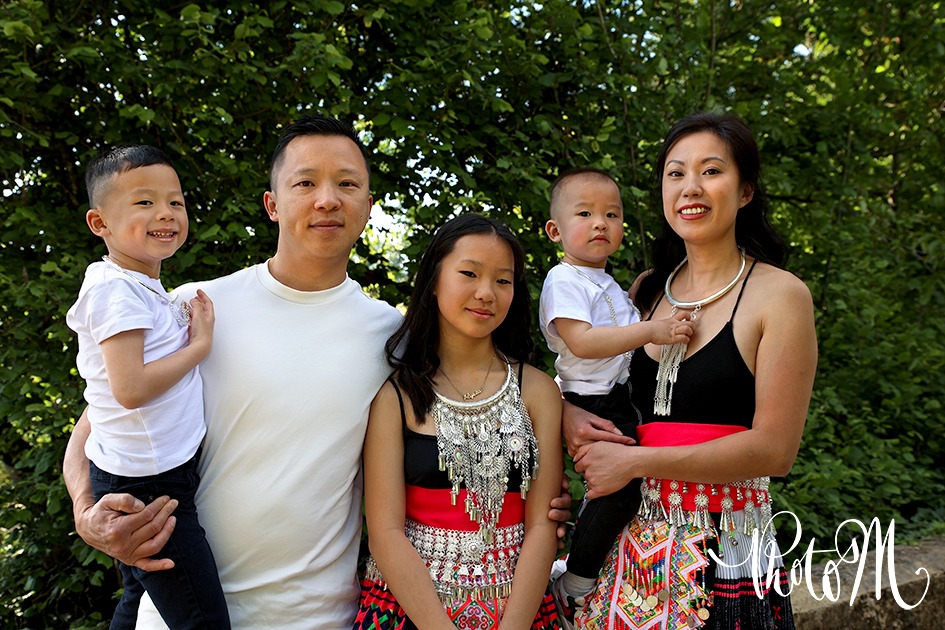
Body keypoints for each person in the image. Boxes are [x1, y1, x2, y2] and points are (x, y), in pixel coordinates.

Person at [63, 115, 573, 629]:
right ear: (272, 204)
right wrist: (87, 514)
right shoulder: (196, 310)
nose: (327, 199)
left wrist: (568, 417)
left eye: (346, 184)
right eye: (305, 183)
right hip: (183, 613)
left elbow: (481, 388)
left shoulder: (390, 337)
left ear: (368, 207)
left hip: (322, 618)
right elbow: (100, 418)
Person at [563, 113, 817, 630]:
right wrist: (569, 415)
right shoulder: (645, 290)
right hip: (621, 549)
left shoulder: (780, 295)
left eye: (711, 171)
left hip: (728, 550)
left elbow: (776, 450)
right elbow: (588, 375)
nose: (691, 187)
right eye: (676, 173)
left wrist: (635, 463)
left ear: (745, 191)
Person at [355, 213, 563, 628]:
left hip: (518, 610)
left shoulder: (537, 391)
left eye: (503, 280)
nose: (486, 293)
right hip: (407, 610)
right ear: (434, 280)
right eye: (469, 273)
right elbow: (385, 532)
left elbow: (541, 523)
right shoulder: (395, 395)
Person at [65, 145, 229, 629]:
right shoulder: (114, 291)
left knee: (137, 600)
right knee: (202, 621)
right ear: (100, 223)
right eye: (144, 202)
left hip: (149, 475)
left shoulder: (138, 288)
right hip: (148, 486)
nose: (165, 213)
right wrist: (199, 347)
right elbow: (131, 388)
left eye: (175, 201)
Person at [538, 168, 692, 622]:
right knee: (618, 492)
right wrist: (654, 329)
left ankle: (591, 569)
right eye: (585, 214)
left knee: (622, 490)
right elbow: (583, 342)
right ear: (555, 231)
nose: (600, 223)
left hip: (618, 395)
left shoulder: (608, 284)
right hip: (593, 400)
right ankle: (574, 581)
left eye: (611, 214)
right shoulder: (563, 279)